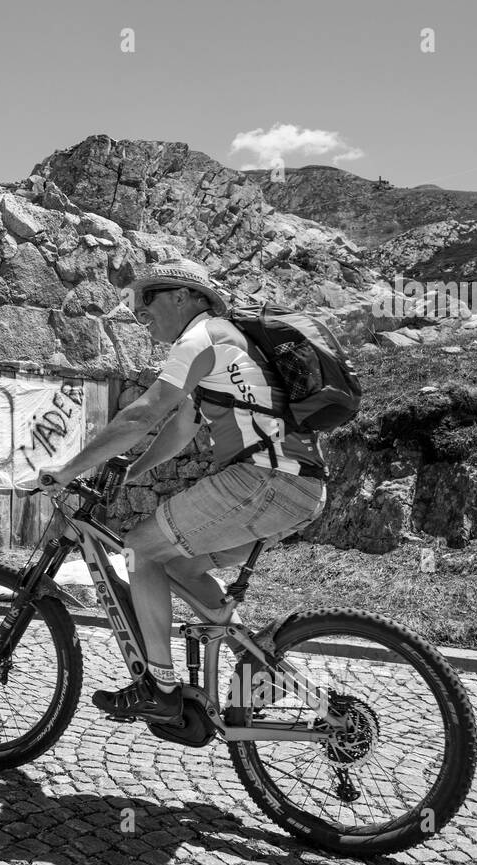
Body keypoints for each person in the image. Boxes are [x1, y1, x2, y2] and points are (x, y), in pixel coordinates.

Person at [37, 260, 328, 724]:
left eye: (145, 301)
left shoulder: (202, 337)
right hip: (297, 489)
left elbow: (143, 414)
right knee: (180, 566)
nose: (140, 314)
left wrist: (69, 470)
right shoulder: (225, 343)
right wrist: (133, 470)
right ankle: (259, 658)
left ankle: (160, 687)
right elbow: (179, 428)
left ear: (182, 295)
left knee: (141, 549)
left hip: (263, 481)